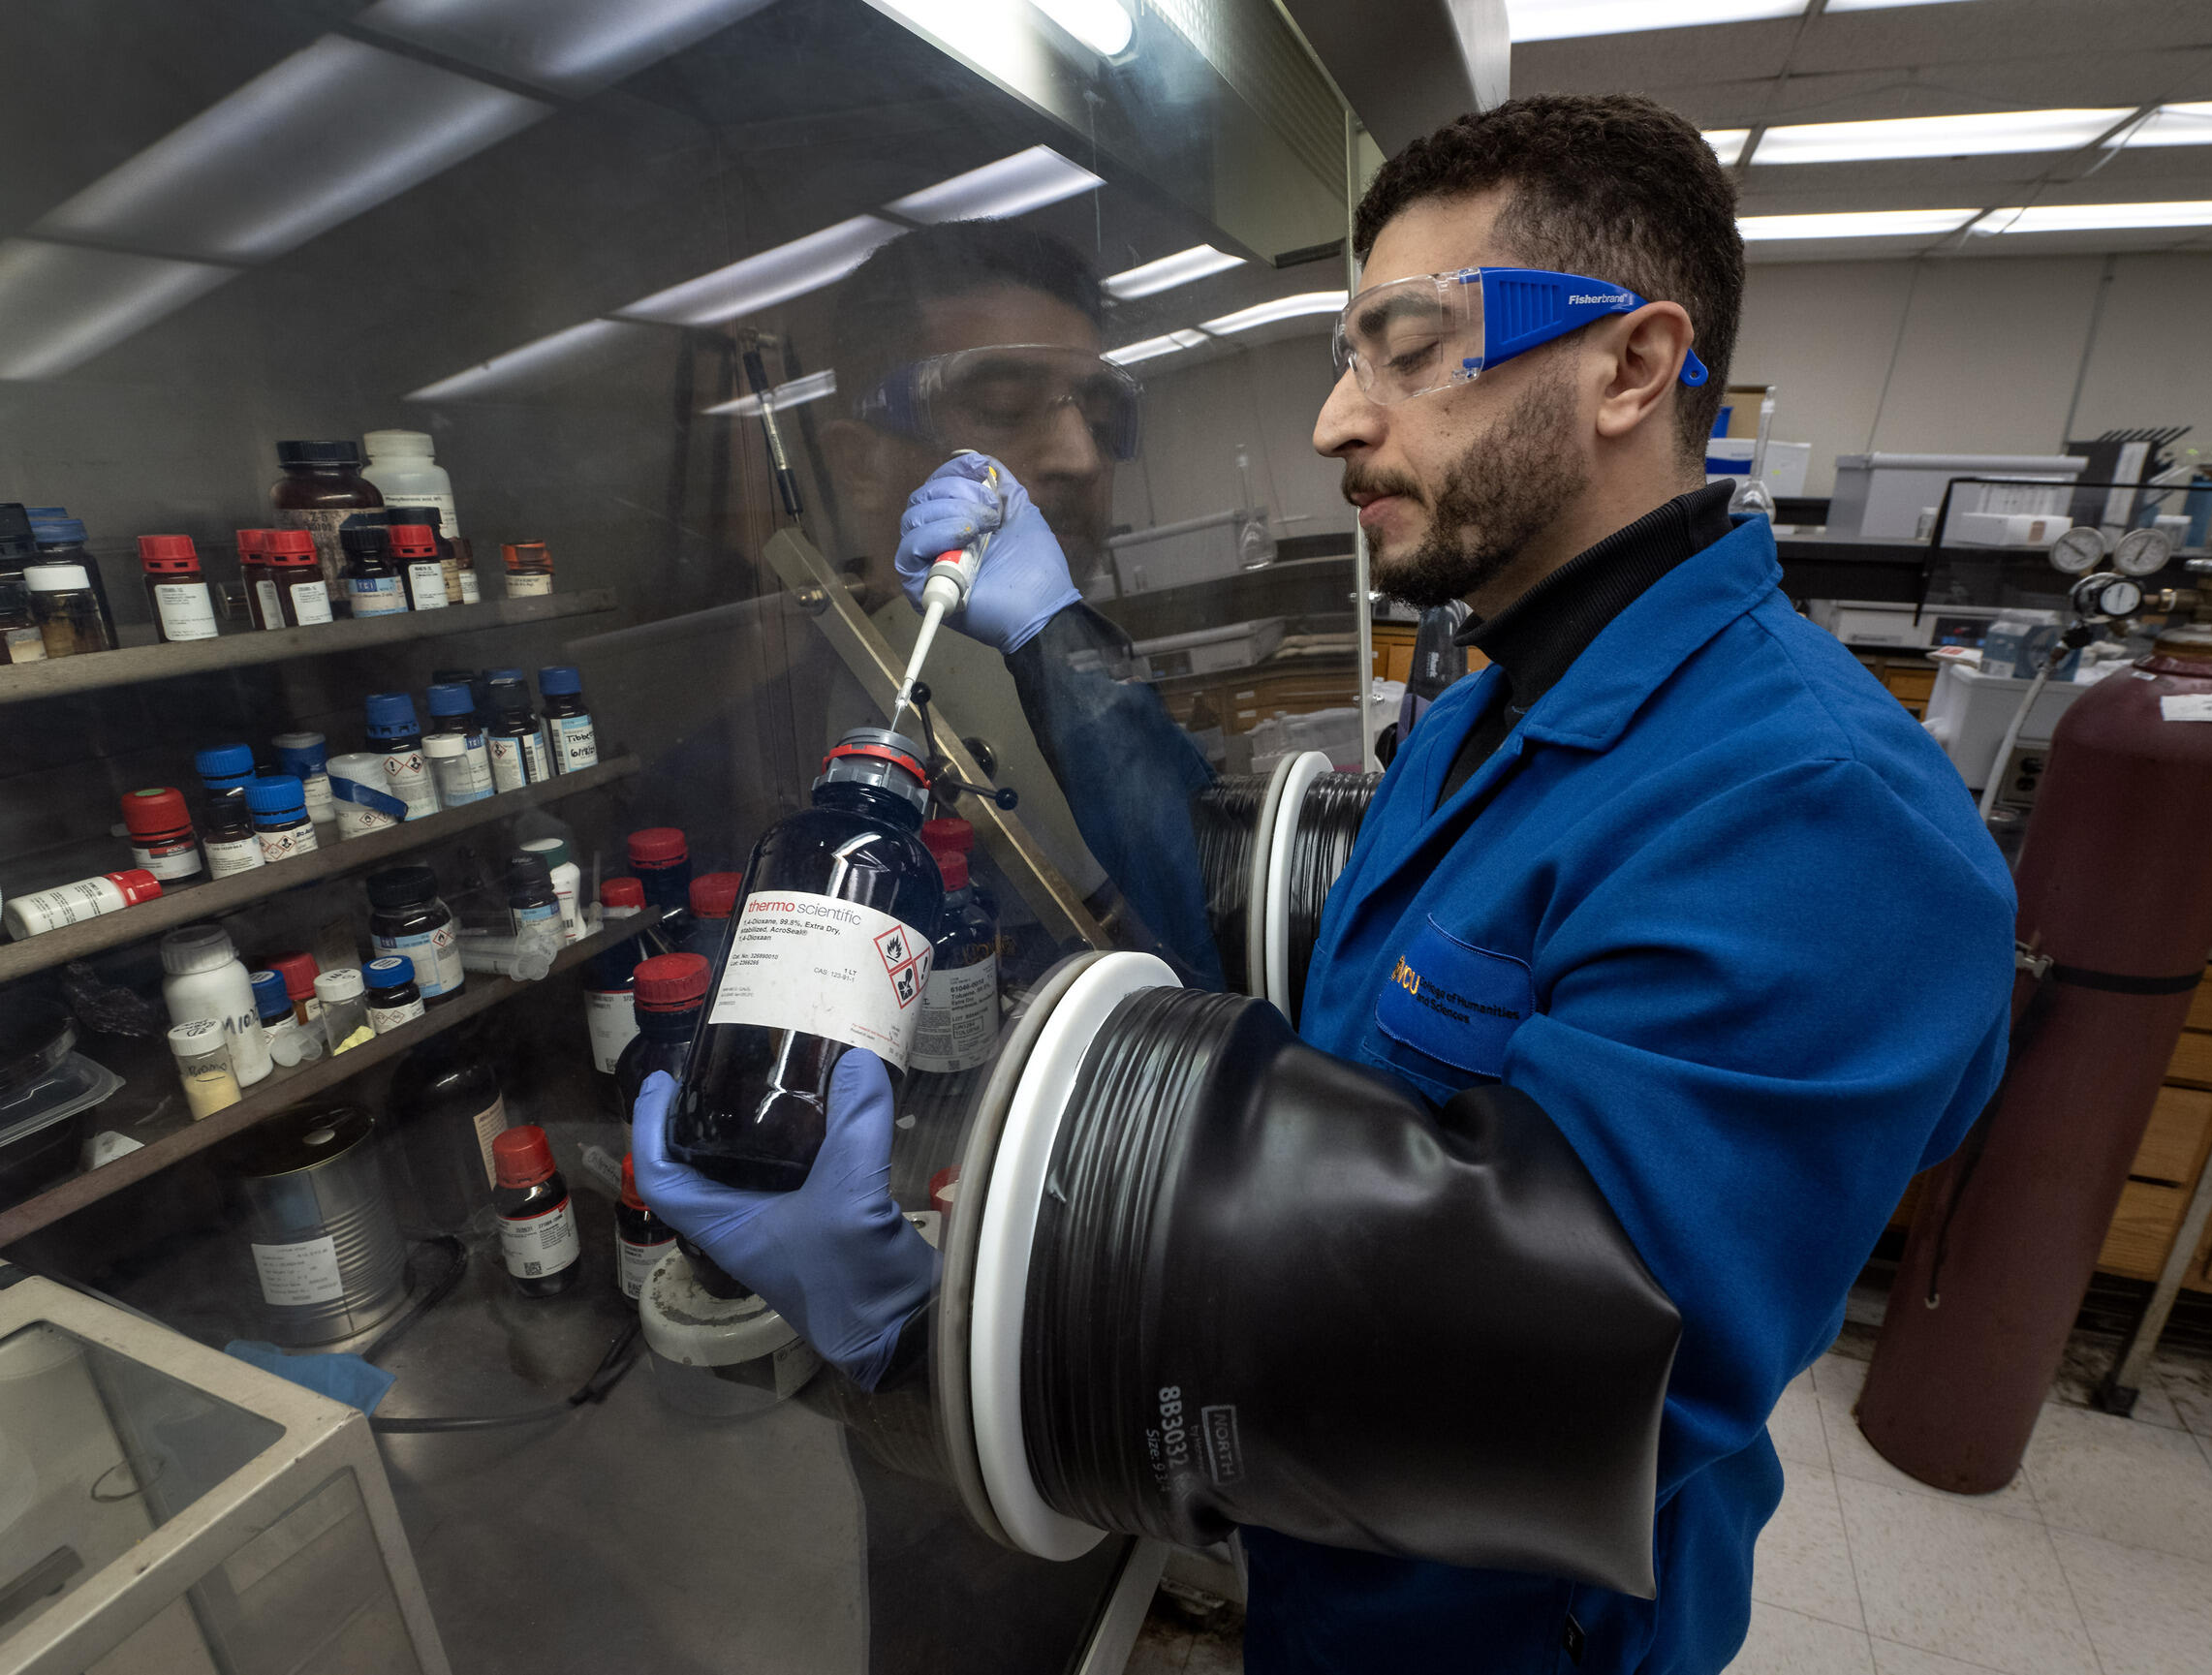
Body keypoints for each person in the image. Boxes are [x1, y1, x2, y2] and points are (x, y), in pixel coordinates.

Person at [639, 92, 2015, 1672]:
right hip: (1333, 1576)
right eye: (1347, 360)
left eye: (1410, 349)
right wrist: (1052, 631)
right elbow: (1274, 924)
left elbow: (1532, 1375)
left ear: (1633, 364)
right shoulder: (1506, 702)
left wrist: (925, 1317)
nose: (1337, 423)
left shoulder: (1819, 826)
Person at [817, 220, 1221, 983]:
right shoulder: (798, 729)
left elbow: (1215, 907)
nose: (1080, 455)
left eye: (1100, 420)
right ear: (860, 465)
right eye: (1003, 407)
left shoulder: (1080, 668)